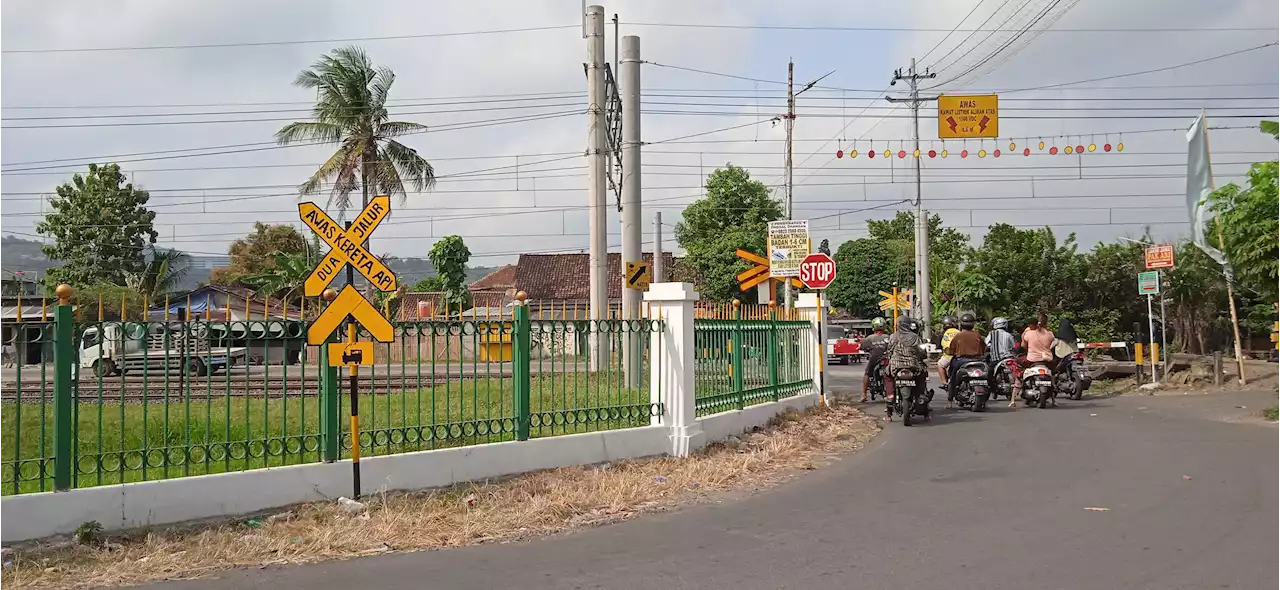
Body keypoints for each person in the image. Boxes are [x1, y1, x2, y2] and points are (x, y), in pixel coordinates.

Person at [1016, 312, 1057, 407]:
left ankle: (1019, 385)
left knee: (1018, 363)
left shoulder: (1029, 333)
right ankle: (1053, 392)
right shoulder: (1050, 334)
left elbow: (1023, 346)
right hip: (1046, 360)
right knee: (1054, 372)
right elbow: (1052, 346)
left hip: (1032, 360)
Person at [946, 312, 987, 404]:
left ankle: (950, 399)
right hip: (978, 360)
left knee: (952, 378)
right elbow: (984, 347)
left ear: (961, 324)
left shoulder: (959, 336)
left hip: (962, 361)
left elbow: (951, 350)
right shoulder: (977, 335)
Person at [887, 317, 929, 406]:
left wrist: (890, 358)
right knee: (922, 374)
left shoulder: (893, 337)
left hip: (896, 366)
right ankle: (921, 394)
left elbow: (889, 351)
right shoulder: (915, 337)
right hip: (913, 365)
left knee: (887, 374)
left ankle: (890, 395)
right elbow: (921, 351)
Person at [860, 317, 890, 402]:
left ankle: (864, 394)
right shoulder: (889, 337)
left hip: (874, 359)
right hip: (887, 359)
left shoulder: (869, 338)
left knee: (867, 374)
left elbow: (863, 347)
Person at [936, 316, 960, 385]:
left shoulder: (942, 334)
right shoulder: (959, 332)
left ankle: (944, 381)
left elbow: (938, 347)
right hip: (960, 356)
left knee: (940, 365)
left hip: (948, 356)